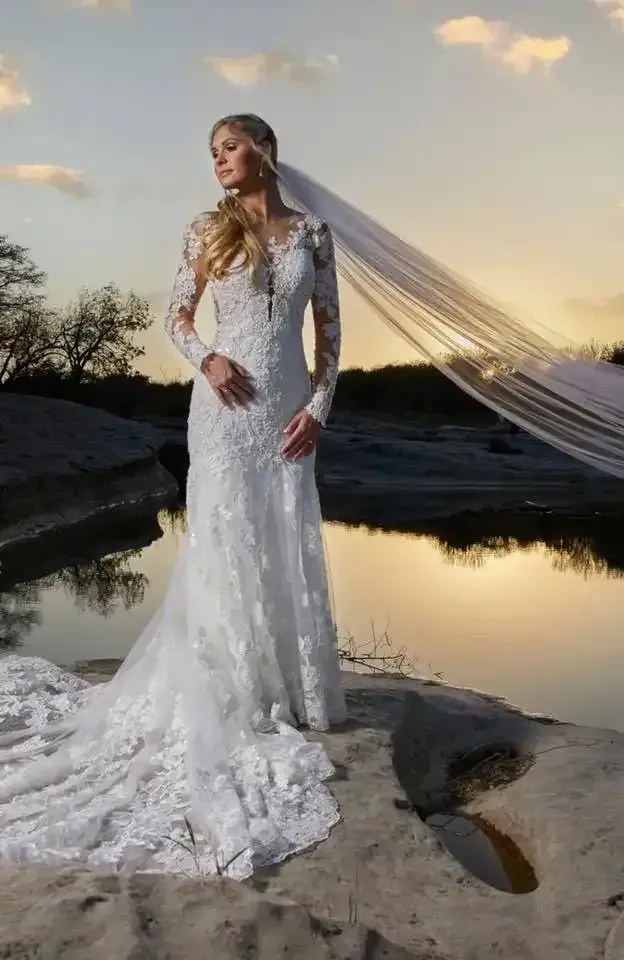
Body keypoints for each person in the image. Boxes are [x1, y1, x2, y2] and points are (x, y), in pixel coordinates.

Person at [0, 114, 346, 878]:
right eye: (212, 152)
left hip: (287, 407)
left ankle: (285, 686)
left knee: (282, 530)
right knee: (224, 538)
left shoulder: (313, 234)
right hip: (222, 411)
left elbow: (330, 334)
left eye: (229, 147)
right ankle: (227, 684)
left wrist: (317, 408)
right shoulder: (206, 227)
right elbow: (174, 315)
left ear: (264, 149)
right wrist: (209, 361)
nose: (218, 161)